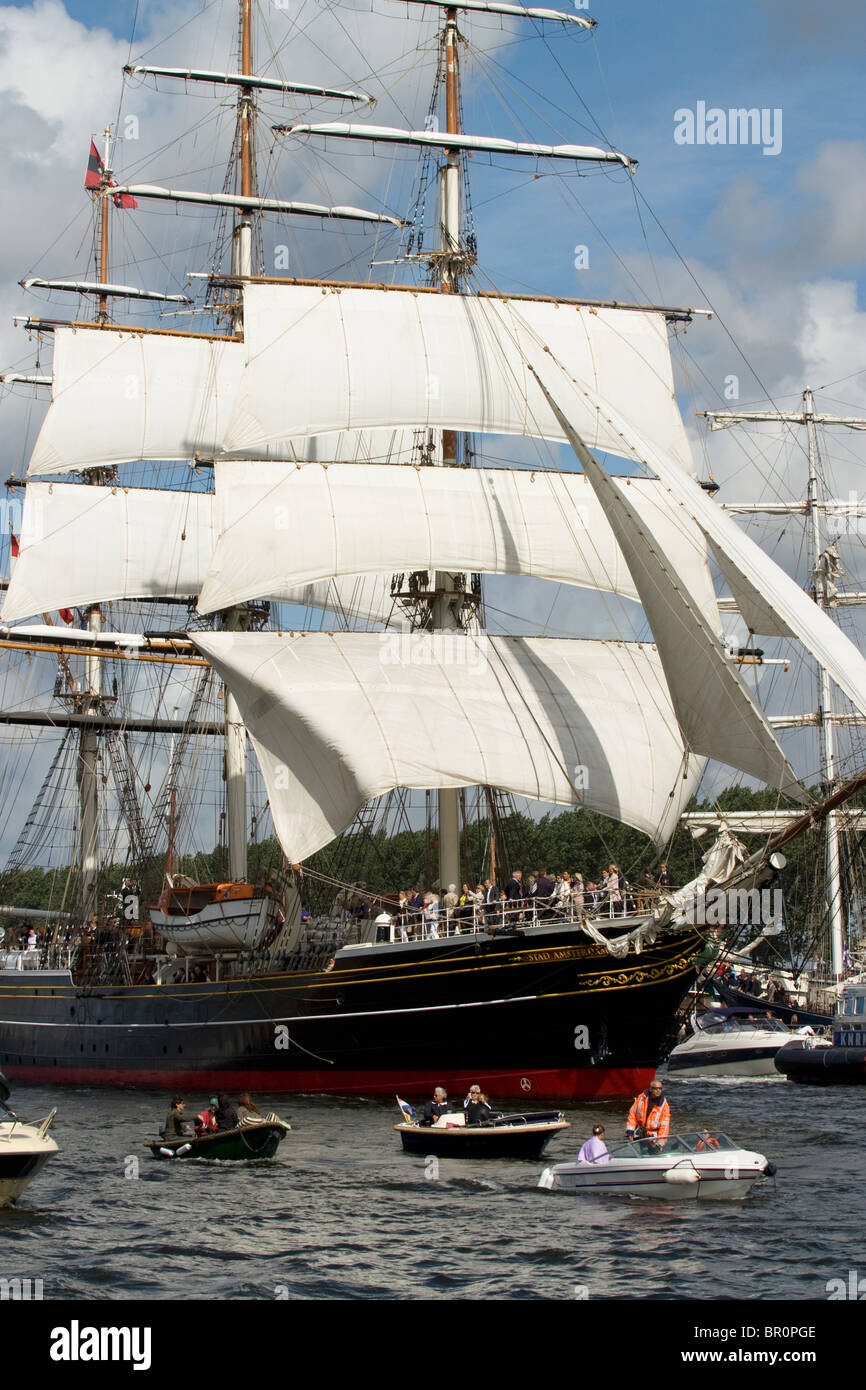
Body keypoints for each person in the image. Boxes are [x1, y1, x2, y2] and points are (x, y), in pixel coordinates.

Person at [626, 1077, 670, 1145]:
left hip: (653, 1138)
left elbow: (664, 1125)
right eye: (656, 1088)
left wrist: (661, 1142)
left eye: (660, 1088)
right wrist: (630, 1132)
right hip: (638, 1134)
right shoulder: (641, 1098)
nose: (658, 1090)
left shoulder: (664, 1105)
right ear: (650, 1089)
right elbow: (632, 1115)